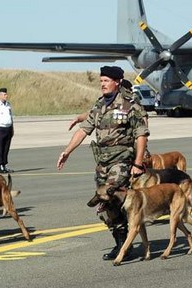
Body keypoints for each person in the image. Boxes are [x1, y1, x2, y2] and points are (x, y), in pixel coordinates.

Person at [57, 66, 149, 260]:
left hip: (121, 161)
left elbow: (141, 134)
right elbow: (83, 130)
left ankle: (124, 246)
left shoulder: (130, 104)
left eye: (106, 81)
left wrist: (138, 164)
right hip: (102, 163)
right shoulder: (99, 105)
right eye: (101, 81)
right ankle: (122, 241)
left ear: (116, 82)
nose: (102, 85)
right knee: (104, 206)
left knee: (113, 198)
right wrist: (67, 151)